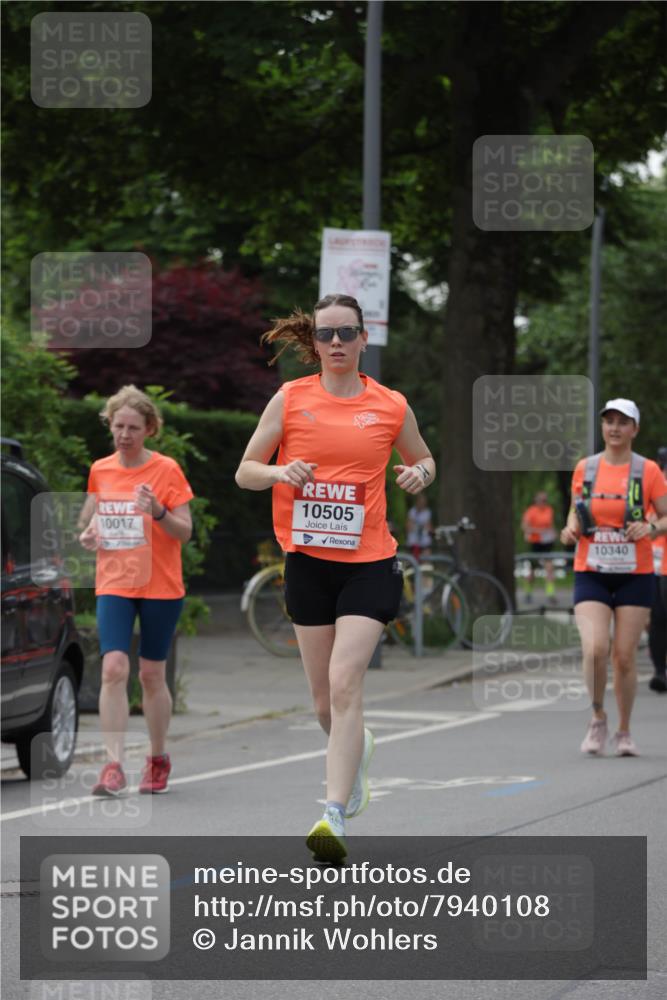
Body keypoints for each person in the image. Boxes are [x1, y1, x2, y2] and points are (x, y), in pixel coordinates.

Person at [235, 294, 435, 862]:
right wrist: (280, 471)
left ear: (364, 339)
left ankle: (333, 814)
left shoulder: (390, 405)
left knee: (346, 682)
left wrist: (419, 474)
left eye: (347, 332)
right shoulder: (291, 398)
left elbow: (424, 458)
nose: (337, 342)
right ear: (315, 343)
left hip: (369, 562)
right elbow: (245, 471)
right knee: (325, 701)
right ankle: (357, 752)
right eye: (326, 334)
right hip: (307, 562)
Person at [78, 385, 194, 795]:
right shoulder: (101, 469)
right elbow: (91, 519)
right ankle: (113, 765)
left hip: (160, 584)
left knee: (150, 674)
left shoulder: (167, 470)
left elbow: (184, 531)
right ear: (109, 425)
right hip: (115, 581)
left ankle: (157, 758)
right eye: (118, 426)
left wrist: (158, 511)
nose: (124, 435)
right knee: (113, 667)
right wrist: (89, 534)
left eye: (133, 428)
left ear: (149, 429)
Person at [560, 399, 667, 756]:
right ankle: (598, 717)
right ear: (602, 427)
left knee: (623, 657)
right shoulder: (586, 468)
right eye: (609, 421)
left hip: (635, 574)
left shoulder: (648, 470)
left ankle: (623, 730)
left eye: (623, 422)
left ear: (635, 429)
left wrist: (651, 527)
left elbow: (665, 516)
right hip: (591, 570)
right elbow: (576, 511)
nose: (615, 428)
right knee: (595, 649)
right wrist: (570, 529)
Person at [648, 447, 667, 692]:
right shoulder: (653, 488)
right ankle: (660, 672)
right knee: (658, 620)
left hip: (658, 564)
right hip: (655, 564)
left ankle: (660, 670)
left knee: (659, 620)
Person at [521, 491, 557, 604]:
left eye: (545, 500)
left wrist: (553, 533)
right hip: (535, 543)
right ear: (536, 501)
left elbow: (550, 525)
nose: (544, 502)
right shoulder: (531, 511)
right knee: (532, 570)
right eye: (542, 500)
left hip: (547, 544)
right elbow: (525, 527)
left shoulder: (549, 510)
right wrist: (538, 531)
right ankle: (528, 593)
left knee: (549, 568)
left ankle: (550, 594)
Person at [406, 493, 433, 560]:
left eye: (424, 502)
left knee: (426, 559)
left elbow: (429, 528)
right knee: (414, 560)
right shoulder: (412, 512)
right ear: (417, 502)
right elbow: (408, 527)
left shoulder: (427, 512)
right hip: (414, 542)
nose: (422, 504)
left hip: (424, 541)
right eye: (421, 502)